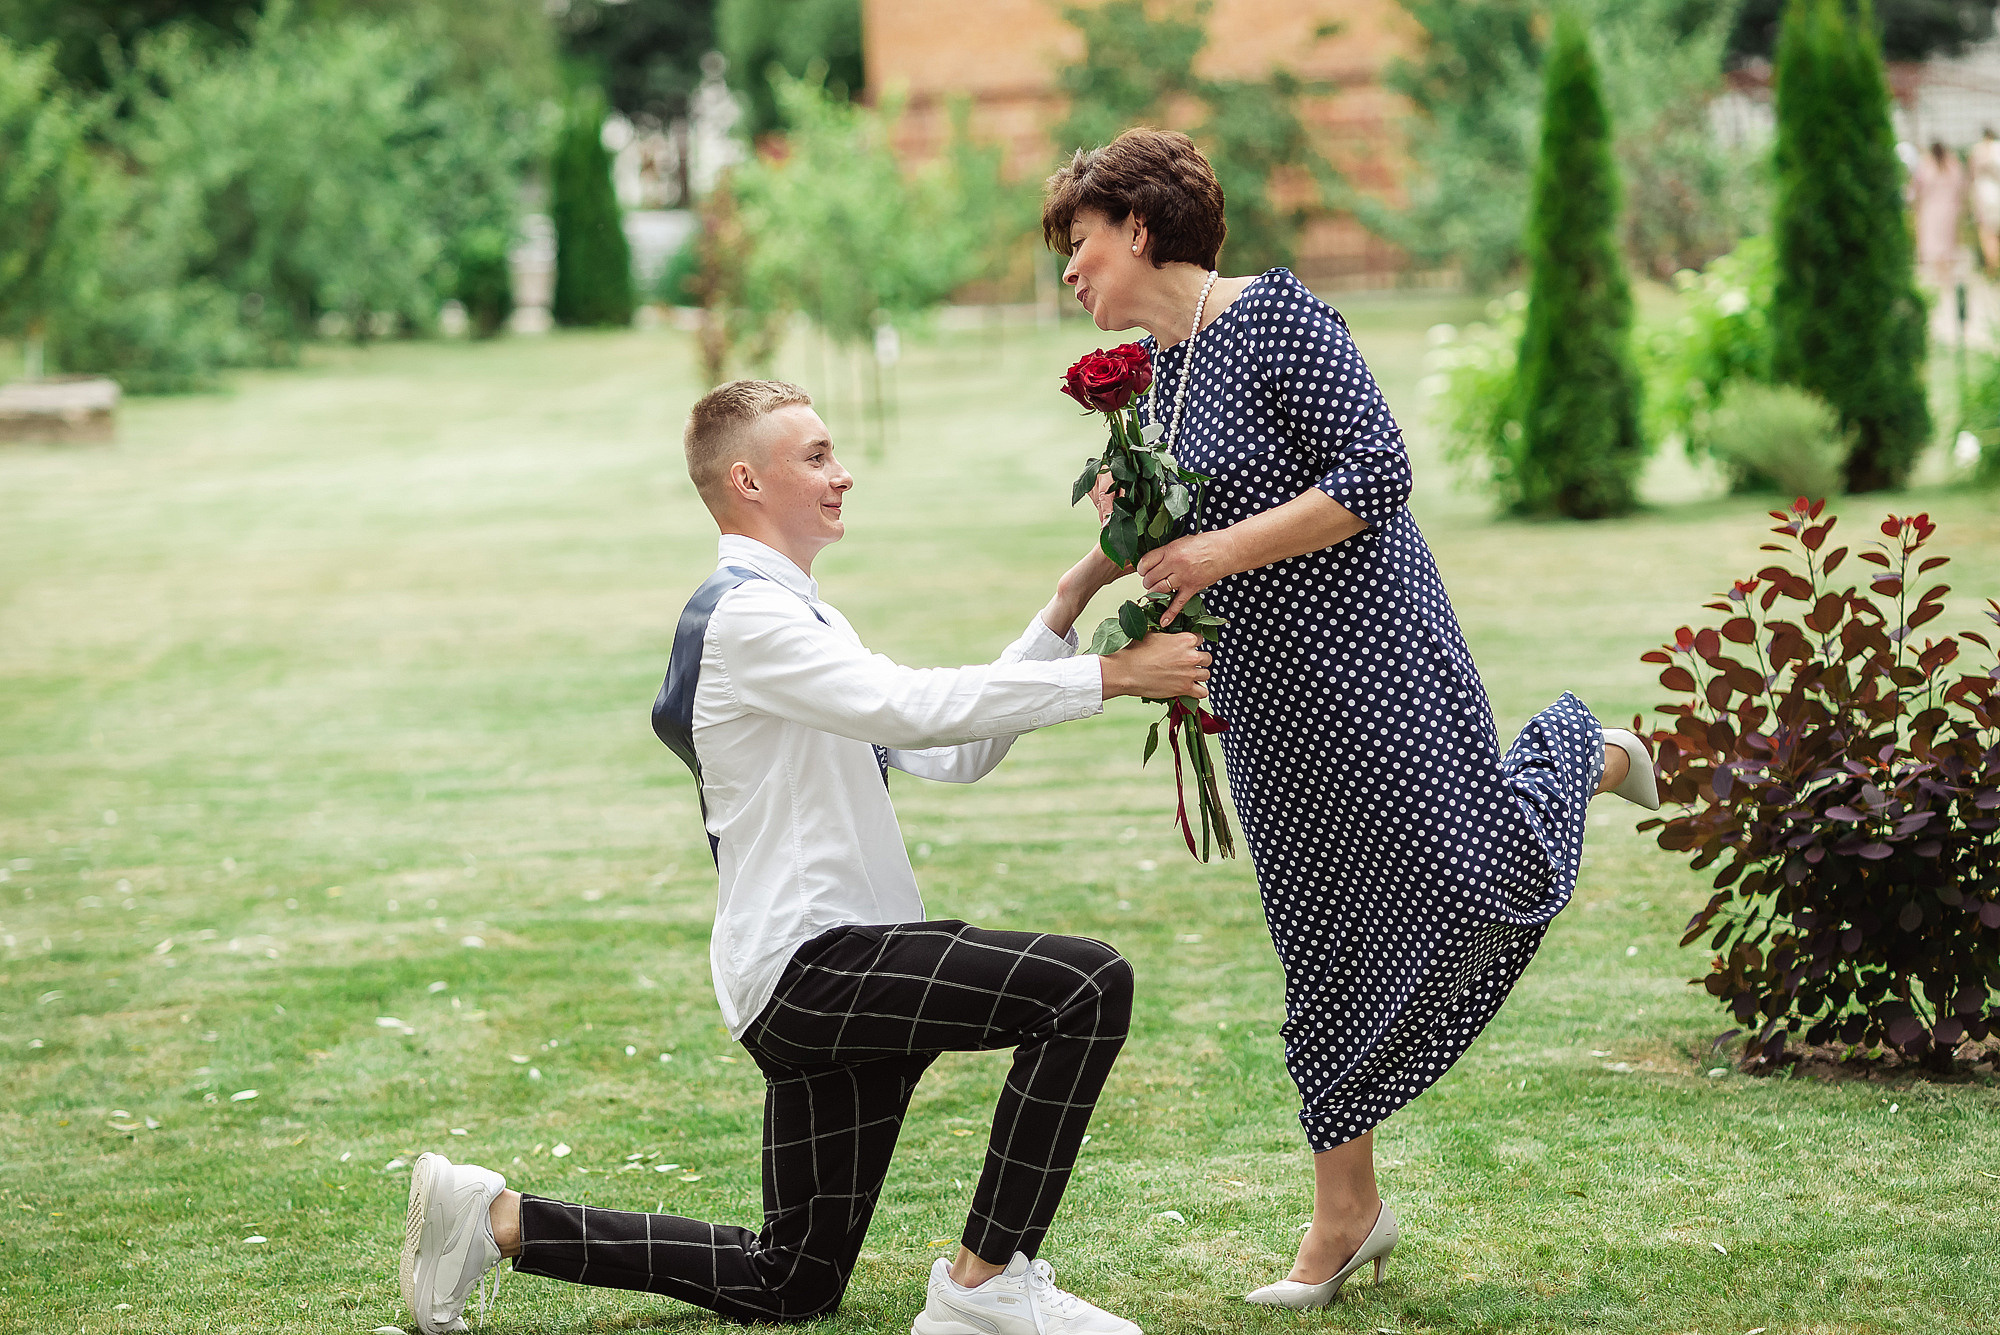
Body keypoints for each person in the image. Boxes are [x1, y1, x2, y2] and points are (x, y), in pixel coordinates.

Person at [398, 379, 1215, 1335]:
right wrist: (1115, 675)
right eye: (817, 456)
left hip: (815, 977)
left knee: (789, 1280)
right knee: (1083, 986)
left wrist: (1080, 587)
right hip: (816, 964)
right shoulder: (748, 620)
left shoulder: (798, 616)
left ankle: (493, 1220)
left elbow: (953, 752)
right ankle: (985, 1287)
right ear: (747, 478)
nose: (844, 475)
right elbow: (910, 707)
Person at [1041, 128, 1661, 1310]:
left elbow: (1375, 475)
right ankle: (1345, 1216)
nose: (1071, 273)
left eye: (1078, 246)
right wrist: (1097, 570)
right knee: (1317, 935)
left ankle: (1592, 749)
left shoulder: (1275, 318)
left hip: (1372, 652)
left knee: (1477, 875)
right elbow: (1174, 532)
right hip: (1265, 688)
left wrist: (1216, 544)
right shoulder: (1162, 374)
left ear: (1138, 227)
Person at [1911, 139, 1967, 292]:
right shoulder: (1952, 164)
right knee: (1947, 240)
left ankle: (1940, 276)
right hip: (1949, 208)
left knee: (1934, 241)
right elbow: (1961, 185)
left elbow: (1917, 187)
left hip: (1931, 209)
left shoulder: (1926, 165)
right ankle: (1946, 276)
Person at [1969, 129, 2000, 275]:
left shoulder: (1977, 151)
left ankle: (1993, 268)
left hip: (1986, 198)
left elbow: (1972, 175)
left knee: (1988, 233)